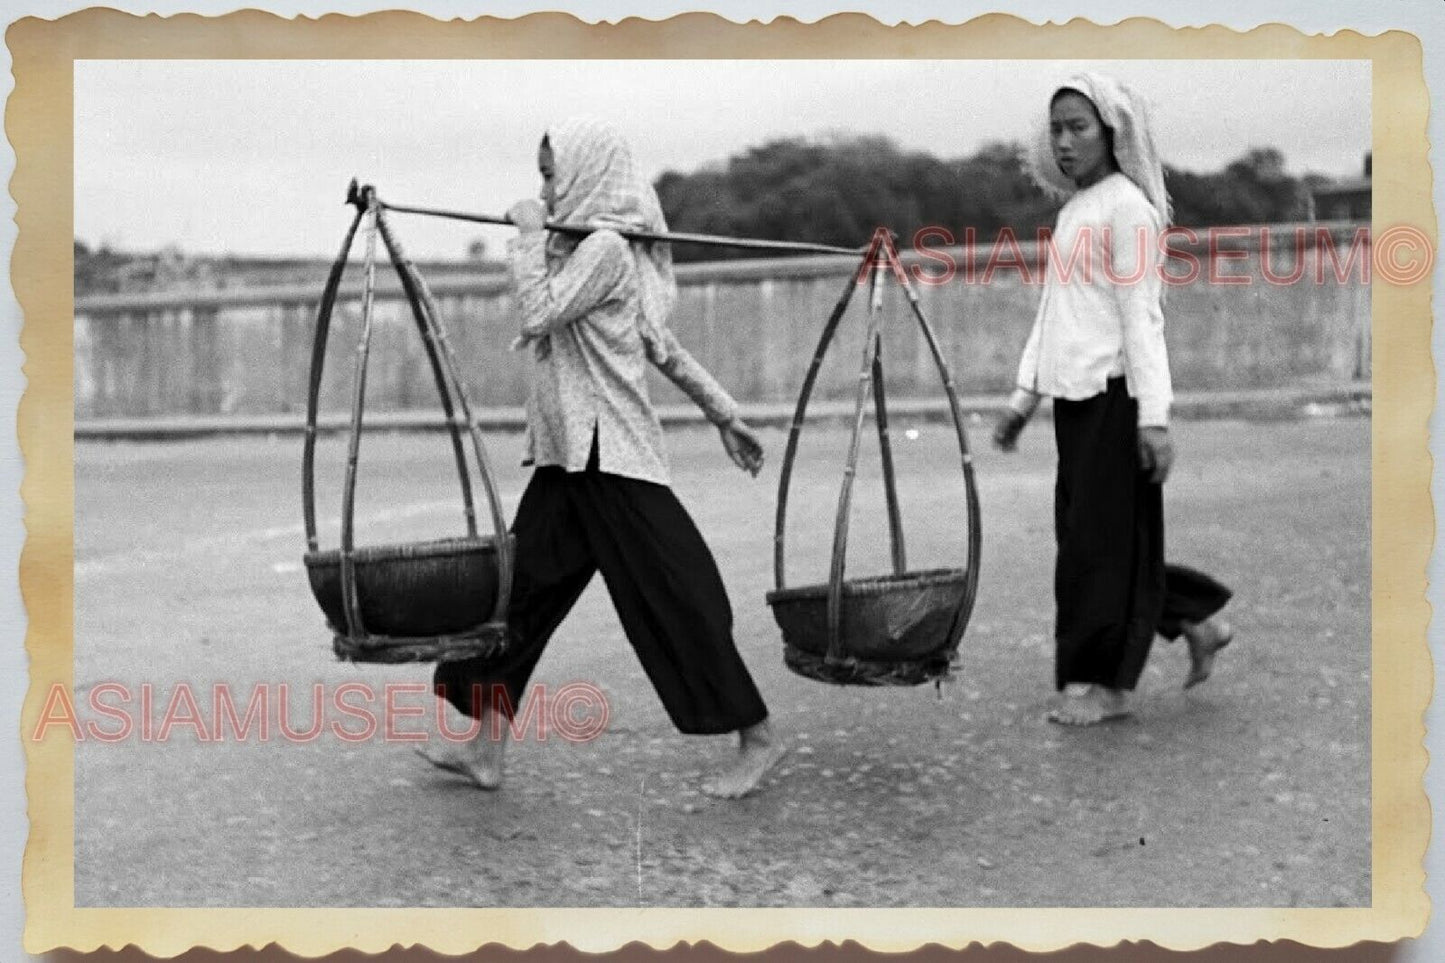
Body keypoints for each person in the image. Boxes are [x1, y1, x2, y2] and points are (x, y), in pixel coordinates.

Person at [417, 118, 786, 797]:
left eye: (551, 175)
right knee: (513, 600)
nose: (544, 189)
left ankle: (757, 736)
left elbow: (538, 313)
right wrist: (725, 413)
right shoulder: (581, 250)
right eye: (540, 177)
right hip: (566, 465)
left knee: (678, 599)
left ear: (586, 174)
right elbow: (659, 344)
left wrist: (527, 235)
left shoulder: (608, 250)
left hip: (613, 462)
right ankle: (486, 748)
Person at [993, 73, 1234, 726]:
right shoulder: (1077, 209)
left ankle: (1106, 687)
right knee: (1095, 541)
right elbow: (1054, 313)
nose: (1065, 141)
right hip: (1074, 403)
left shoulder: (1127, 207)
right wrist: (1022, 399)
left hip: (1116, 400)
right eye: (1057, 129)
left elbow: (1141, 317)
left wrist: (1154, 420)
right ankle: (1193, 619)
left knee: (1095, 551)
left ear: (1111, 132)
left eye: (1078, 126)